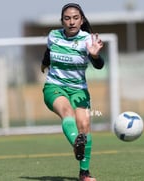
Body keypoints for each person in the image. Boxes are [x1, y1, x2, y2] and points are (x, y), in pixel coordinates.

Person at [41, 3, 104, 181]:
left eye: (75, 18)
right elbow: (48, 51)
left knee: (84, 126)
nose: (71, 22)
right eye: (67, 18)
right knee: (67, 112)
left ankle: (84, 172)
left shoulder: (87, 40)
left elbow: (99, 66)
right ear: (62, 21)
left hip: (79, 90)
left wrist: (95, 56)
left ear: (81, 20)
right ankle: (78, 145)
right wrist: (44, 63)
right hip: (54, 87)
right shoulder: (53, 35)